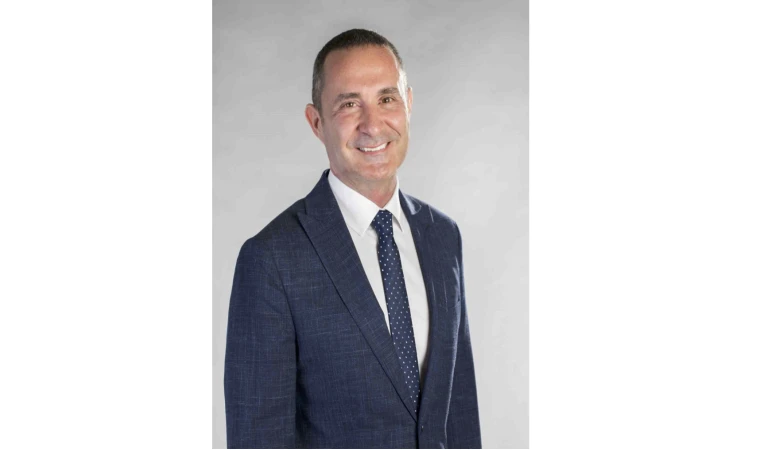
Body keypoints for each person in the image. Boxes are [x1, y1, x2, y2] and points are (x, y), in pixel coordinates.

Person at [224, 28, 481, 449]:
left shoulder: (442, 237)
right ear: (316, 122)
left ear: (408, 104)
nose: (372, 124)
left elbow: (460, 413)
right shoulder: (271, 259)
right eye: (349, 104)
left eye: (387, 99)